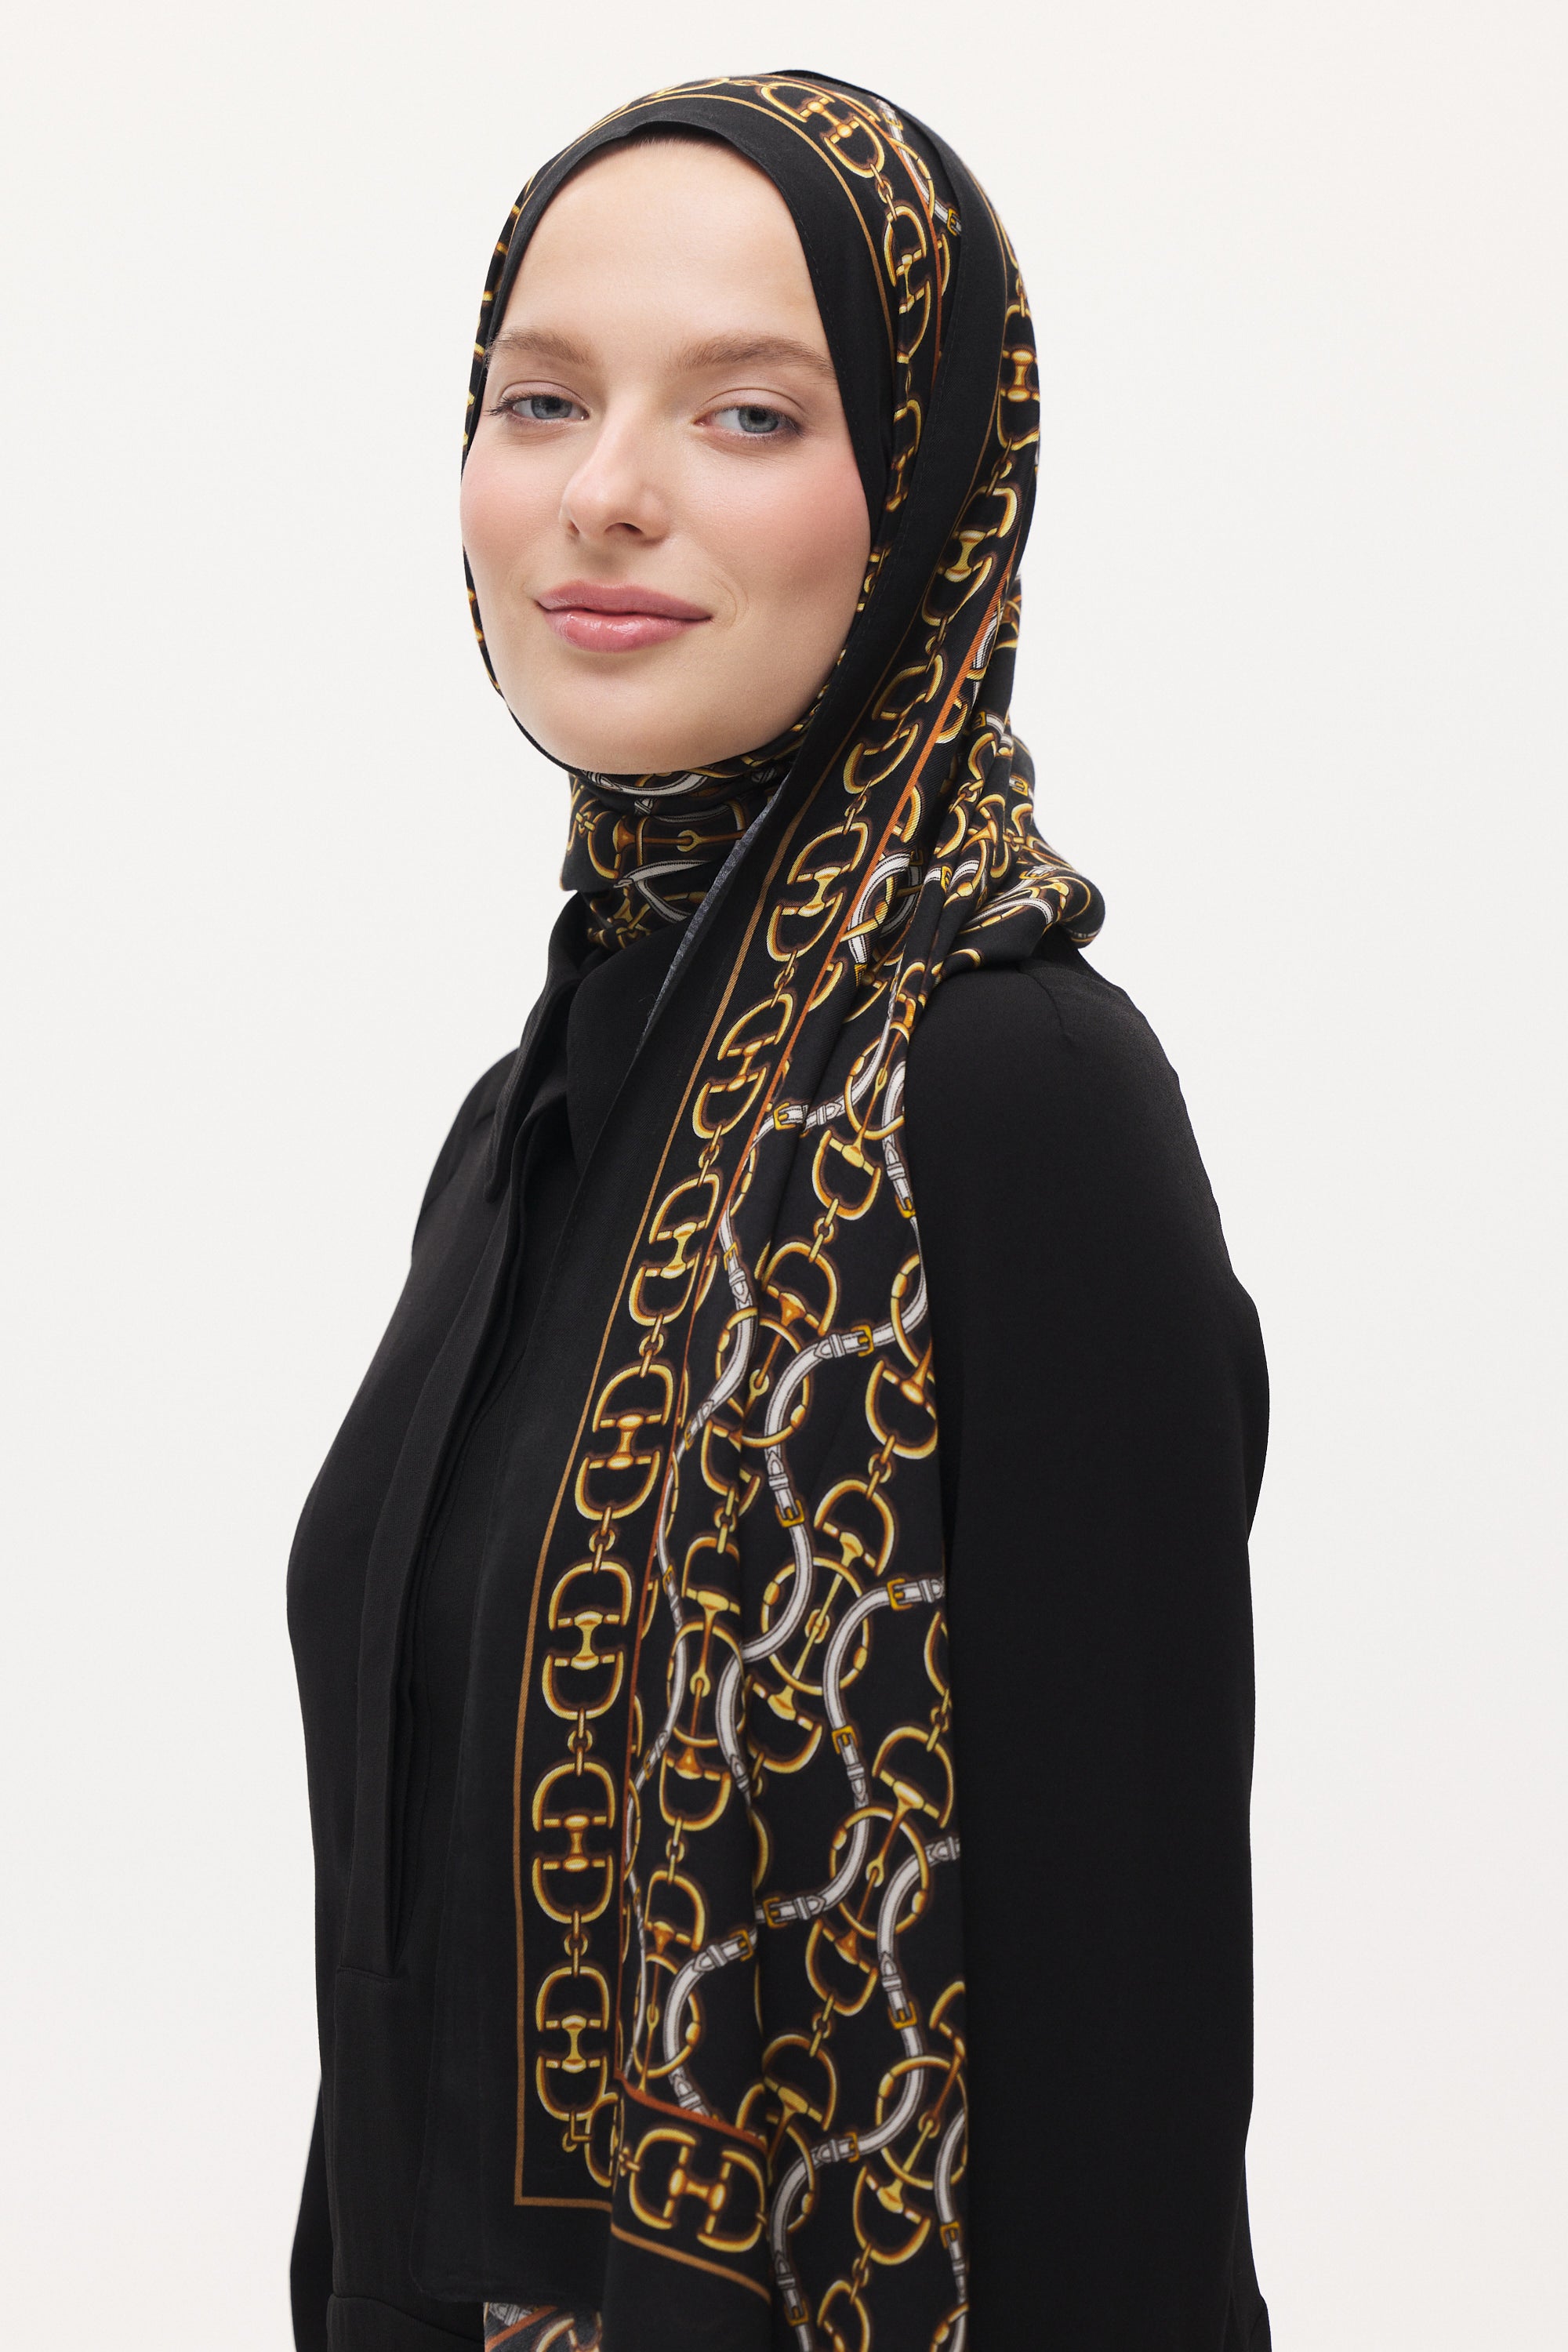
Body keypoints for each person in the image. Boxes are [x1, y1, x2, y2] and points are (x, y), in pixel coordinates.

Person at [287, 71, 1271, 2352]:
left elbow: (1120, 2061)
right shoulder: (526, 1129)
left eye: (747, 415)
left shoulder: (1007, 1096)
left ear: (927, 497)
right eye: (542, 399)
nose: (604, 492)